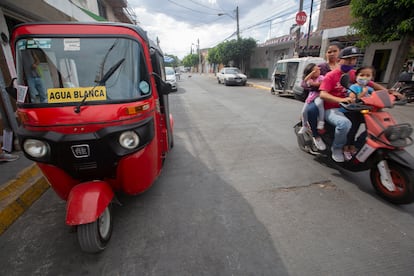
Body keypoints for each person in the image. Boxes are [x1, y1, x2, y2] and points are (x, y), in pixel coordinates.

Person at [319, 46, 386, 162]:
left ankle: (356, 145)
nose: (351, 62)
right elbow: (323, 94)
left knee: (378, 124)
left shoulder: (353, 74)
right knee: (344, 123)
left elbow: (371, 84)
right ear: (339, 60)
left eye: (354, 59)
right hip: (333, 109)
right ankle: (337, 148)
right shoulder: (331, 75)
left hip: (351, 107)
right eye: (348, 59)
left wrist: (388, 92)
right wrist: (340, 100)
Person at [298, 63, 326, 150]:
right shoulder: (311, 78)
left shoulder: (321, 77)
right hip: (313, 98)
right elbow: (304, 82)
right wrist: (311, 77)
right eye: (315, 70)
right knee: (309, 110)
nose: (317, 71)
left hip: (324, 96)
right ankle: (314, 134)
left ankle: (321, 122)